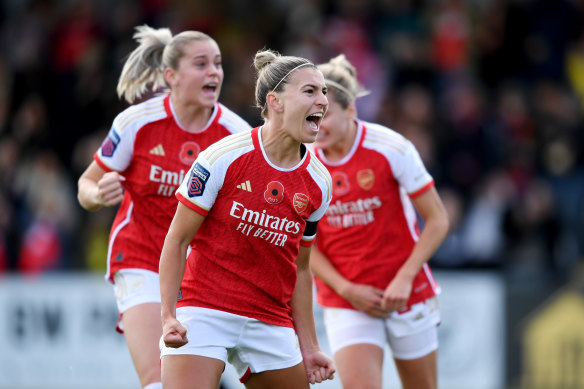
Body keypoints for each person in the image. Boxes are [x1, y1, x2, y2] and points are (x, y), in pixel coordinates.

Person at [77, 25, 252, 389]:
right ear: (170, 76)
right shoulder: (137, 122)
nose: (214, 72)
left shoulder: (235, 135)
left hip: (200, 271)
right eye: (201, 64)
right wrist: (97, 195)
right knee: (158, 381)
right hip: (140, 257)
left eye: (217, 64)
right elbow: (86, 185)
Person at [158, 49, 336, 389]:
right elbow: (177, 239)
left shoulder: (320, 182)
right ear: (276, 101)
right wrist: (168, 316)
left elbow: (300, 268)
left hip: (270, 319)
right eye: (310, 91)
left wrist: (310, 346)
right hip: (204, 308)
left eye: (324, 91)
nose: (323, 101)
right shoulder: (223, 157)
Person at [309, 54, 450, 389]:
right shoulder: (302, 162)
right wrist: (346, 289)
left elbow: (438, 220)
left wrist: (404, 277)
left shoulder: (390, 147)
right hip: (347, 299)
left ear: (352, 111)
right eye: (312, 114)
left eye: (326, 113)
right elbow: (303, 244)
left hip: (406, 292)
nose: (318, 123)